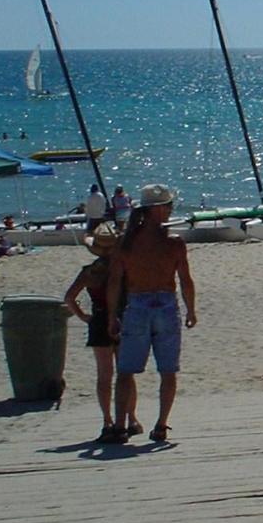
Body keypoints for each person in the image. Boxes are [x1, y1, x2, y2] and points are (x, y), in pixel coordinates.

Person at [108, 184, 196, 445]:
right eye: (168, 206)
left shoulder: (127, 242)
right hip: (165, 305)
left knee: (126, 371)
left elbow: (115, 281)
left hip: (137, 304)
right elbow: (185, 280)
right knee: (167, 371)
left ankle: (121, 426)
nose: (170, 211)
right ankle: (160, 424)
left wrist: (112, 314)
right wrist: (191, 309)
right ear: (158, 209)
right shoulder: (173, 242)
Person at [65, 225, 140, 443]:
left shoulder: (90, 271)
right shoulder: (123, 269)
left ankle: (108, 420)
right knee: (126, 374)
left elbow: (69, 298)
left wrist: (83, 316)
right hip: (122, 319)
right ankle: (131, 418)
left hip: (98, 320)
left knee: (104, 375)